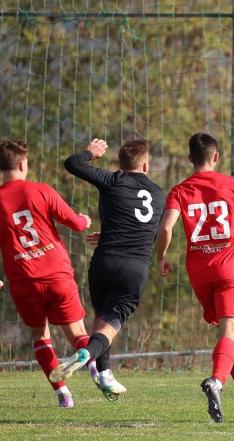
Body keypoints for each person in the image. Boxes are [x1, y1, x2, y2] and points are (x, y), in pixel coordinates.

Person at [155, 132, 234, 423]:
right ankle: (216, 382)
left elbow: (167, 227)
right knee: (230, 335)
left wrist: (161, 256)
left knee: (233, 343)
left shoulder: (179, 190)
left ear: (189, 159)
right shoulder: (230, 184)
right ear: (216, 157)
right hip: (229, 271)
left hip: (199, 273)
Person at [49, 138, 165, 402]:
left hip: (102, 263)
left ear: (121, 163)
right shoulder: (158, 194)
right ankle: (85, 355)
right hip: (133, 268)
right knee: (110, 324)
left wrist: (90, 153)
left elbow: (73, 163)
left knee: (102, 319)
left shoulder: (113, 180)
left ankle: (105, 374)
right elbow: (150, 232)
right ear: (146, 164)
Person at [0, 139, 96, 408]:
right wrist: (84, 220)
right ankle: (95, 370)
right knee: (77, 331)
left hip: (24, 279)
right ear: (22, 164)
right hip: (56, 273)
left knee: (40, 335)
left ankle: (63, 394)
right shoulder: (41, 190)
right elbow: (76, 224)